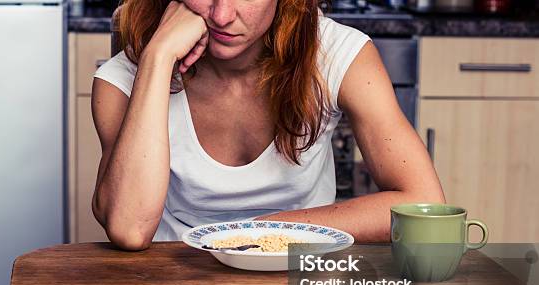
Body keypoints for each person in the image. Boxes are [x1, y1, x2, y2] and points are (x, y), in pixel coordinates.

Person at [91, 0, 445, 251]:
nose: (222, 15)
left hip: (300, 270)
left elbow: (423, 204)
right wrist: (157, 57)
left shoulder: (336, 52)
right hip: (172, 276)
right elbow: (129, 230)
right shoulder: (121, 79)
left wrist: (261, 235)